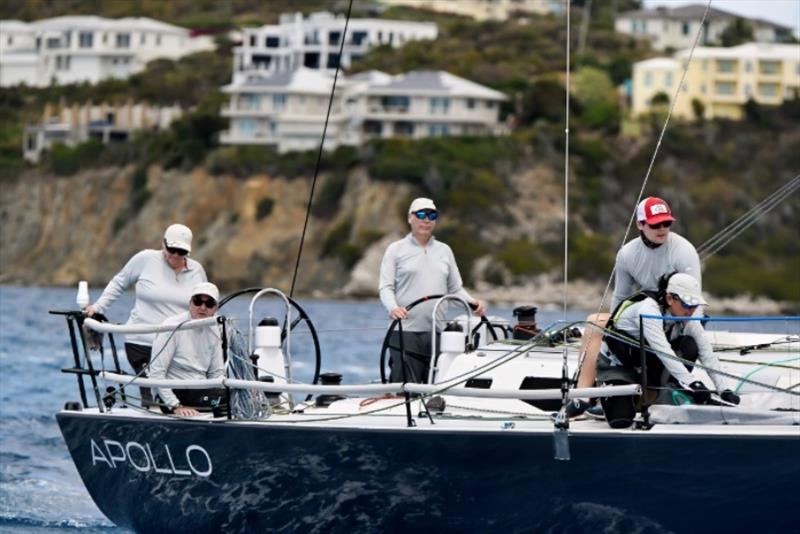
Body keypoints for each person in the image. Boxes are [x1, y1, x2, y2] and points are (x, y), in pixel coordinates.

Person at [572, 197, 702, 412]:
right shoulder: (626, 254)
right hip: (645, 314)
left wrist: (684, 328)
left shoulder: (684, 250)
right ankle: (583, 397)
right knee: (595, 322)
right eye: (655, 224)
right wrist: (613, 330)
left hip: (677, 318)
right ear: (640, 224)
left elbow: (696, 302)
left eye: (666, 223)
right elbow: (620, 298)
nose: (662, 229)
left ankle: (656, 391)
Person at [596, 273, 739, 428]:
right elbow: (663, 352)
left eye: (695, 305)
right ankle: (611, 396)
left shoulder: (687, 317)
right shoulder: (648, 310)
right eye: (687, 304)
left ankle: (665, 391)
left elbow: (707, 354)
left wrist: (724, 389)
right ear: (670, 298)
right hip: (620, 367)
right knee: (620, 421)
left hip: (648, 366)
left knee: (691, 344)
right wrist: (693, 383)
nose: (691, 311)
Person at [84, 224, 207, 403]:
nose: (175, 255)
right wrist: (97, 308)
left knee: (181, 395)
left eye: (181, 252)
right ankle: (149, 408)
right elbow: (119, 283)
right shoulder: (145, 259)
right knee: (154, 390)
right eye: (171, 249)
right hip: (141, 341)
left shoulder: (197, 270)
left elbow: (205, 304)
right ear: (163, 244)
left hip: (177, 346)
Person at [379, 198, 486, 383]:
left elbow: (455, 289)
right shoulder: (395, 250)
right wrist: (393, 308)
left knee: (434, 384)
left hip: (437, 332)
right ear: (410, 218)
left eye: (432, 215)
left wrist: (472, 302)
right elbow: (385, 287)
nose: (426, 219)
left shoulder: (445, 251)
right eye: (421, 214)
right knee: (405, 387)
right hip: (404, 331)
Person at [149, 282, 226, 417]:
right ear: (190, 303)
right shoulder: (171, 326)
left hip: (201, 391)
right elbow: (156, 373)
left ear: (215, 308)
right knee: (223, 400)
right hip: (175, 393)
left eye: (209, 304)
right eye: (198, 301)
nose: (202, 307)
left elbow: (216, 372)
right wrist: (175, 406)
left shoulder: (215, 330)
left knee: (238, 395)